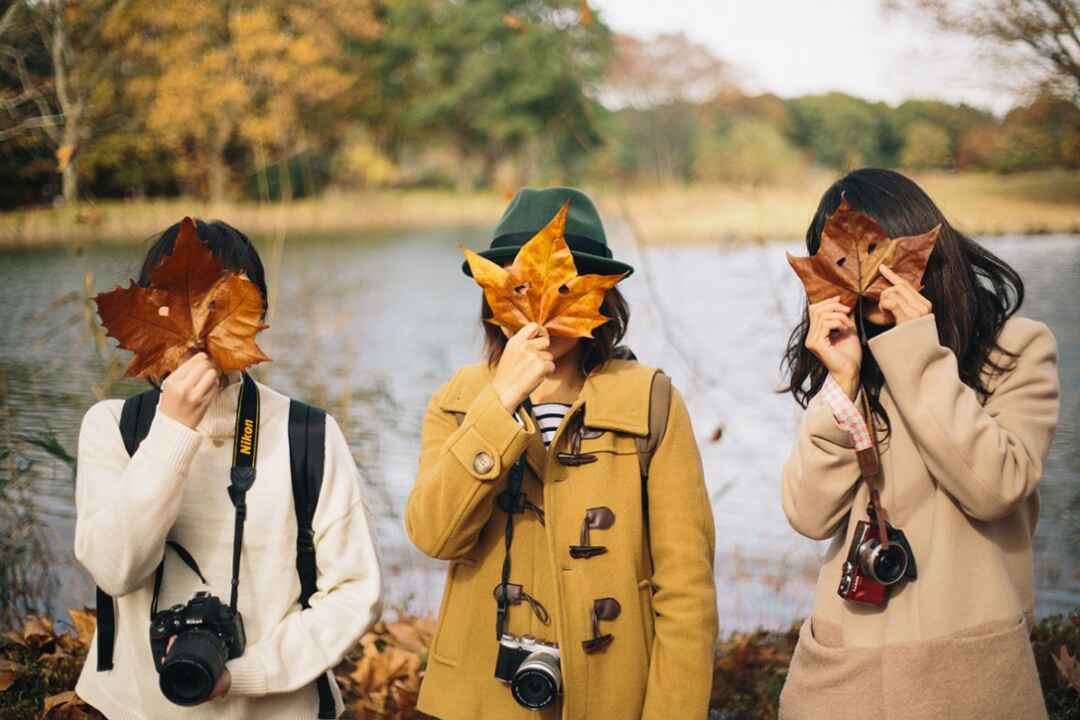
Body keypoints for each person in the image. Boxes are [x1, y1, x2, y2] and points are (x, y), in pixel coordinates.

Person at [405, 187, 718, 719]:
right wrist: (499, 404)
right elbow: (434, 534)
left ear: (599, 298)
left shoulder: (650, 400)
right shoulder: (460, 400)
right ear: (493, 296)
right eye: (521, 287)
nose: (541, 309)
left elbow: (685, 591)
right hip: (478, 701)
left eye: (565, 287)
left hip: (612, 697)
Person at [778, 168, 1059, 719]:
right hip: (843, 679)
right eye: (845, 259)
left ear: (925, 245)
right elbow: (809, 515)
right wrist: (840, 384)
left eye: (885, 251)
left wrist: (915, 352)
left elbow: (996, 487)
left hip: (969, 680)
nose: (872, 276)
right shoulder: (849, 363)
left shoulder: (1015, 351)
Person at [74, 219, 383, 719]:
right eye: (173, 306)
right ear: (150, 317)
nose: (199, 330)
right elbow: (115, 570)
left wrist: (247, 673)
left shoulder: (307, 433)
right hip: (137, 708)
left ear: (257, 317)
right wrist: (173, 429)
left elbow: (355, 592)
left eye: (225, 305)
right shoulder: (113, 427)